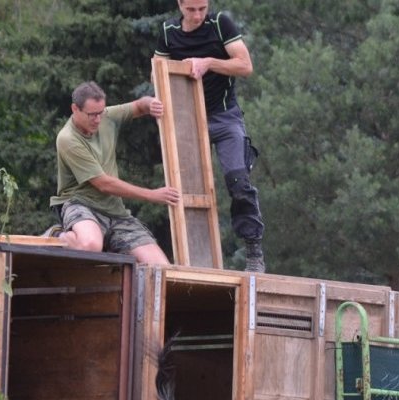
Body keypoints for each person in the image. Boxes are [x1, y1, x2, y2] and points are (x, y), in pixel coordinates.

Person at [155, 0, 265, 273]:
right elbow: (158, 72)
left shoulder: (219, 24)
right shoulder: (168, 32)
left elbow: (245, 65)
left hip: (225, 115)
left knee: (238, 181)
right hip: (187, 117)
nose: (197, 15)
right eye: (191, 9)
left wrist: (209, 63)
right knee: (185, 187)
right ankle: (189, 256)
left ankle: (253, 251)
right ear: (180, 4)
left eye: (202, 9)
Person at [46, 81, 179, 265]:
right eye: (92, 115)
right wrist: (152, 195)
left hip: (115, 212)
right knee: (90, 245)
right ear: (75, 109)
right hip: (81, 205)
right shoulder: (68, 139)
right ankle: (59, 235)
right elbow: (103, 184)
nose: (98, 120)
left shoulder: (106, 117)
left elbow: (139, 105)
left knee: (160, 268)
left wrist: (151, 105)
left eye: (101, 113)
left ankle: (109, 241)